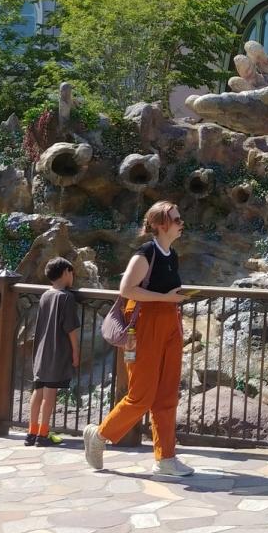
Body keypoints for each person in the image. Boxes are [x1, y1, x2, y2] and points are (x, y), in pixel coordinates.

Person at [83, 201, 193, 478]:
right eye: (176, 219)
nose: (181, 223)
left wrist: (175, 298)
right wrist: (165, 298)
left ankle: (166, 458)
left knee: (167, 395)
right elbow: (127, 289)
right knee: (141, 396)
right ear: (160, 224)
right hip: (146, 326)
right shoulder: (146, 253)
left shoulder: (172, 254)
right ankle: (100, 434)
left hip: (170, 323)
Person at [27, 257, 80, 447]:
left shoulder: (45, 295)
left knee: (38, 391)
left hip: (41, 351)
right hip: (57, 352)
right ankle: (43, 434)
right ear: (66, 272)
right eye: (72, 273)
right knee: (50, 394)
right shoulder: (66, 297)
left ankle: (31, 432)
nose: (73, 277)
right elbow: (70, 328)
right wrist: (75, 351)